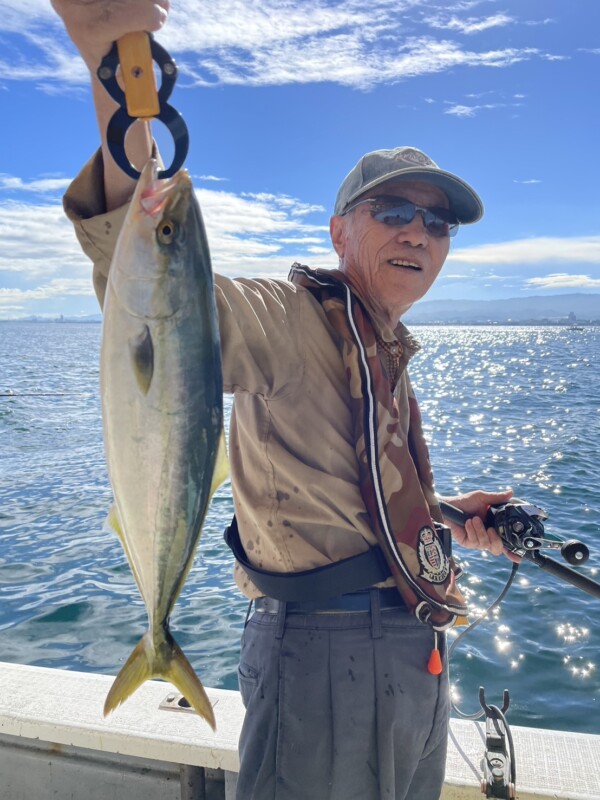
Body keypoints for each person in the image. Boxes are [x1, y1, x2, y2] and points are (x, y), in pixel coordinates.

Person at [52, 2, 514, 798]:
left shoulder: (382, 344)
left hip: (414, 656)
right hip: (327, 661)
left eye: (436, 223)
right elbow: (161, 290)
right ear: (339, 233)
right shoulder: (287, 317)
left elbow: (346, 500)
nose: (418, 234)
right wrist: (113, 61)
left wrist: (442, 516)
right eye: (394, 212)